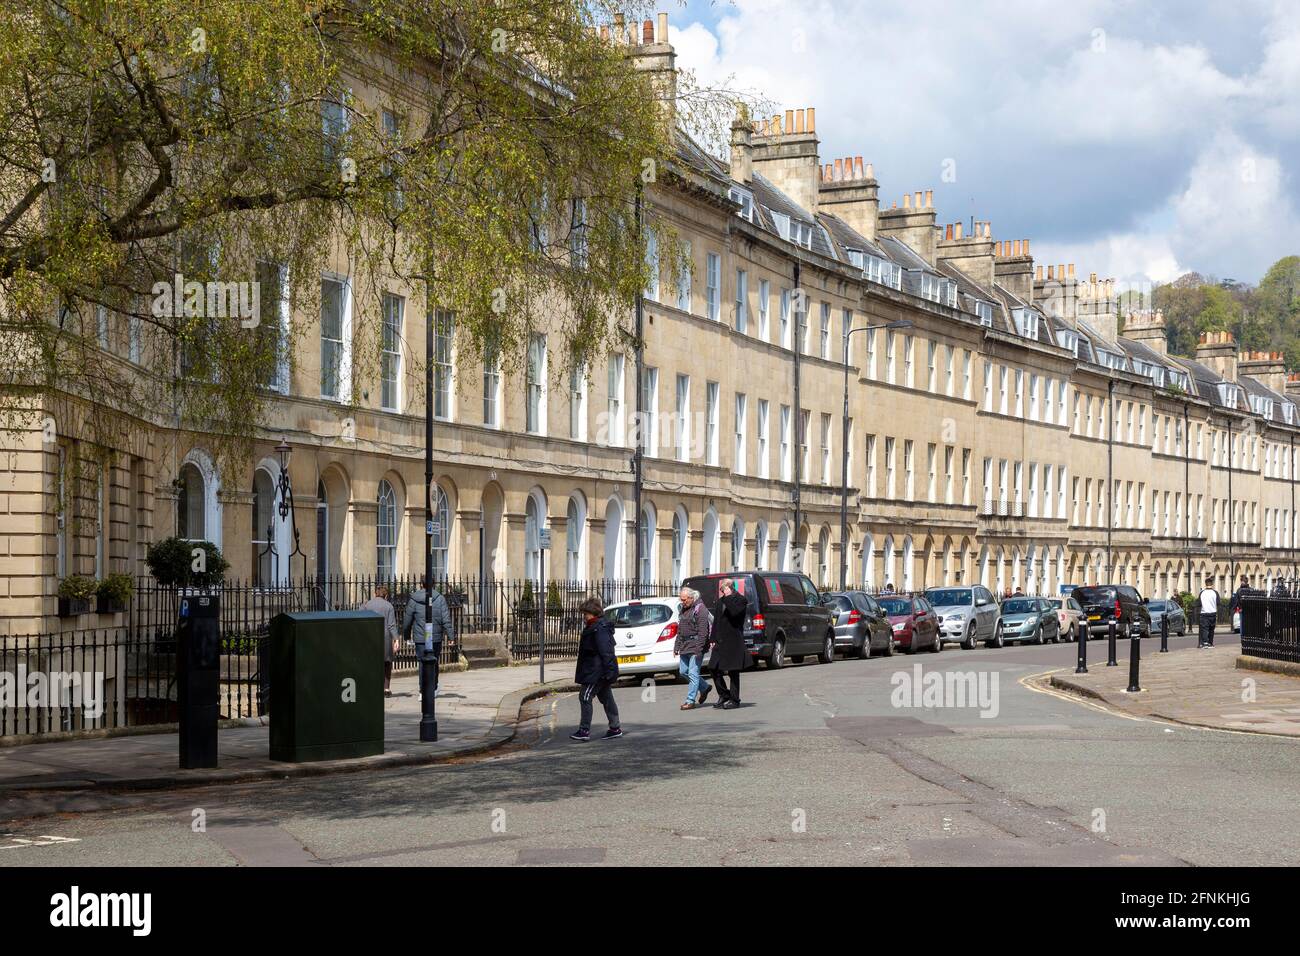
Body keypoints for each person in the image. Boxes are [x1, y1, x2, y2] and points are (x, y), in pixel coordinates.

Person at [571, 596, 622, 740]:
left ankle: (584, 731)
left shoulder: (599, 629)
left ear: (592, 613)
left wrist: (610, 671)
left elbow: (606, 652)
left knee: (585, 696)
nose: (584, 617)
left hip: (596, 671)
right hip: (596, 670)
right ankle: (615, 727)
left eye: (585, 614)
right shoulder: (595, 627)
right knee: (606, 698)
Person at [402, 576, 454, 698]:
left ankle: (422, 690)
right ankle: (433, 688)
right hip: (435, 638)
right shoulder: (440, 599)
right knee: (434, 662)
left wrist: (406, 635)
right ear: (434, 584)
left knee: (422, 663)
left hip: (420, 638)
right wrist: (451, 637)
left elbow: (407, 620)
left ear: (421, 584)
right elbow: (446, 619)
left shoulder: (414, 599)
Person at [709, 578, 750, 709]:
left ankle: (734, 699)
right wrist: (712, 639)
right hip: (720, 640)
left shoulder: (741, 600)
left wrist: (728, 598)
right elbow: (717, 622)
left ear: (730, 587)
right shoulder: (721, 601)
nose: (722, 591)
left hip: (733, 640)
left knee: (733, 671)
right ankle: (724, 694)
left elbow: (734, 613)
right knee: (713, 668)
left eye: (724, 588)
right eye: (721, 589)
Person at [674, 586, 712, 710]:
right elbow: (680, 630)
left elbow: (703, 632)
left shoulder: (701, 609)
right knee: (683, 672)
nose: (682, 602)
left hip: (696, 646)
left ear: (691, 598)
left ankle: (690, 700)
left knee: (693, 673)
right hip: (685, 646)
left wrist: (699, 649)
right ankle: (705, 687)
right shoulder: (683, 609)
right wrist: (676, 646)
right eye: (681, 600)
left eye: (684, 600)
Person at [360, 584, 399, 696]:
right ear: (386, 595)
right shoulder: (389, 606)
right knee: (387, 663)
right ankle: (386, 688)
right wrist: (396, 639)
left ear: (375, 594)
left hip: (370, 637)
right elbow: (391, 625)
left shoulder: (367, 605)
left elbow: (361, 619)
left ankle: (372, 686)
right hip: (385, 637)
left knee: (372, 662)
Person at [1197, 577, 1219, 648]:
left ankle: (1205, 642)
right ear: (1212, 584)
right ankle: (1210, 643)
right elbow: (1218, 603)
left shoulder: (1202, 593)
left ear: (1205, 584)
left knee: (1205, 628)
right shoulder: (1215, 593)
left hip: (1204, 613)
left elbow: (1199, 603)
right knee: (1211, 629)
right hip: (1213, 612)